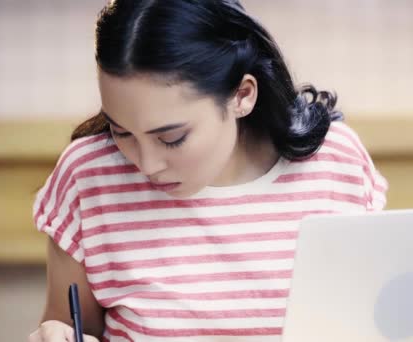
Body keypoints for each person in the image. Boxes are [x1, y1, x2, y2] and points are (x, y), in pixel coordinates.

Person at [28, 0, 388, 341]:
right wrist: (54, 332)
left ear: (242, 96)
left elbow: (375, 321)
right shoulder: (89, 176)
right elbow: (70, 326)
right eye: (121, 131)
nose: (146, 165)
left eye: (171, 137)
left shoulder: (336, 162)